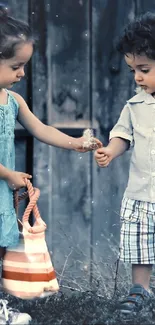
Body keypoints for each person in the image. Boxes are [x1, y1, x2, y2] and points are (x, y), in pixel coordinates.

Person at [0, 5, 102, 325]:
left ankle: (2, 307)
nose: (22, 74)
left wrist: (77, 143)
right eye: (17, 66)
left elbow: (41, 129)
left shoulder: (14, 101)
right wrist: (7, 173)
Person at [94, 11, 155, 315]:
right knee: (141, 245)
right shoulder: (135, 105)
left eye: (144, 69)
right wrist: (111, 151)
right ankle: (140, 289)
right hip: (143, 192)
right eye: (133, 70)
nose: (137, 77)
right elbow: (123, 135)